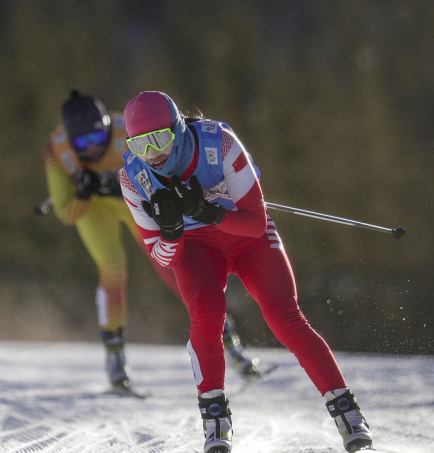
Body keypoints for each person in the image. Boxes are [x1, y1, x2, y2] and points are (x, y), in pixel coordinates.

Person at [120, 91, 374, 452]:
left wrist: (211, 212)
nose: (153, 154)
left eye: (160, 139)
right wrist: (173, 232)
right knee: (206, 315)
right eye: (140, 145)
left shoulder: (218, 143)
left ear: (178, 129)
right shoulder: (132, 177)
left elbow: (255, 225)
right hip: (195, 246)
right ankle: (215, 421)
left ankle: (348, 413)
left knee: (284, 316)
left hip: (243, 235)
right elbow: (160, 258)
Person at [44, 90, 264, 394]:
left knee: (175, 263)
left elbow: (169, 164)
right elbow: (65, 212)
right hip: (95, 210)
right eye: (82, 144)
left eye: (98, 138)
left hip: (137, 202)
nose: (92, 149)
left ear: (110, 126)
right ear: (70, 140)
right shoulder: (57, 150)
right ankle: (115, 360)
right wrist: (82, 192)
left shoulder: (129, 129)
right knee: (113, 268)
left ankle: (230, 344)